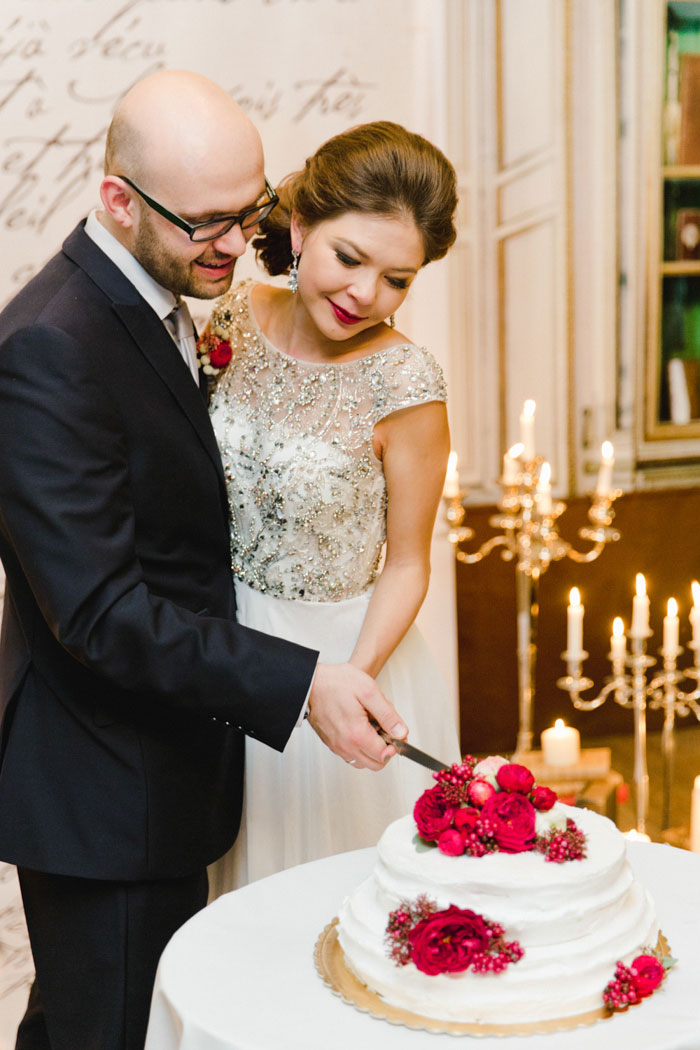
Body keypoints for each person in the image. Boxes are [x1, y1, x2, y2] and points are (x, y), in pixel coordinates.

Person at [0, 72, 408, 1050]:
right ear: (115, 201)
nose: (236, 244)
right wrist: (302, 678)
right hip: (105, 788)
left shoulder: (158, 290)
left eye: (253, 209)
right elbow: (101, 612)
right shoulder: (49, 348)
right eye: (208, 223)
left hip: (160, 763)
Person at [201, 121, 462, 895]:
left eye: (397, 278)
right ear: (302, 225)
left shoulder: (409, 383)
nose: (365, 295)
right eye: (350, 259)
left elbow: (410, 562)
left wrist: (345, 684)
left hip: (351, 657)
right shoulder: (231, 319)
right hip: (227, 649)